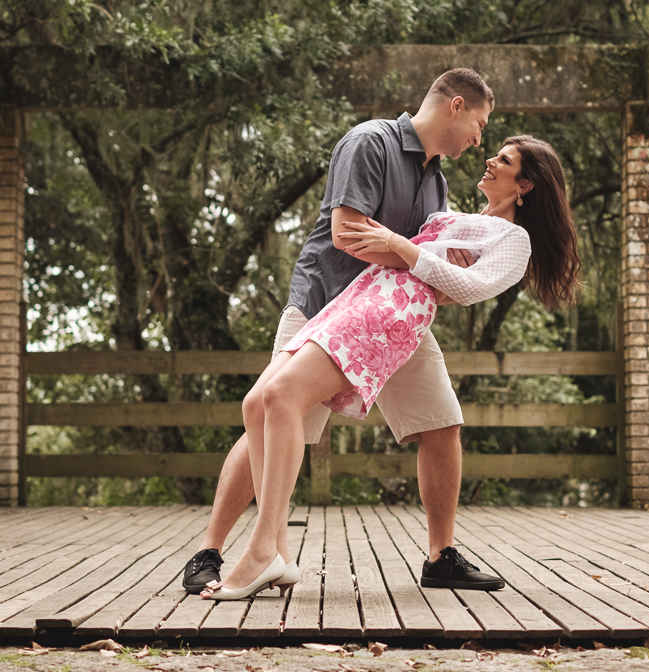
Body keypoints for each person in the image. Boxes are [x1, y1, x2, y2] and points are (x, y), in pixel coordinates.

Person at [201, 135, 582, 600]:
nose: (485, 153)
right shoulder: (450, 211)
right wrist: (419, 252)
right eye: (487, 141)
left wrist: (406, 248)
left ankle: (275, 552)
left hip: (390, 316)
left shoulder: (512, 238)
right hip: (342, 299)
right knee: (259, 406)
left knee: (419, 419)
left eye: (503, 159)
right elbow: (412, 260)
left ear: (525, 185)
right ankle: (242, 551)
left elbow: (465, 287)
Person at [183, 68, 499, 596]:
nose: (479, 139)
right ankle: (211, 550)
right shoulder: (370, 142)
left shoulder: (437, 181)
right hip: (324, 304)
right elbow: (348, 235)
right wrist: (419, 260)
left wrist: (432, 263)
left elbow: (428, 265)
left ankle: (441, 557)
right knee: (268, 414)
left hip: (394, 319)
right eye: (480, 124)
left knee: (442, 423)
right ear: (456, 105)